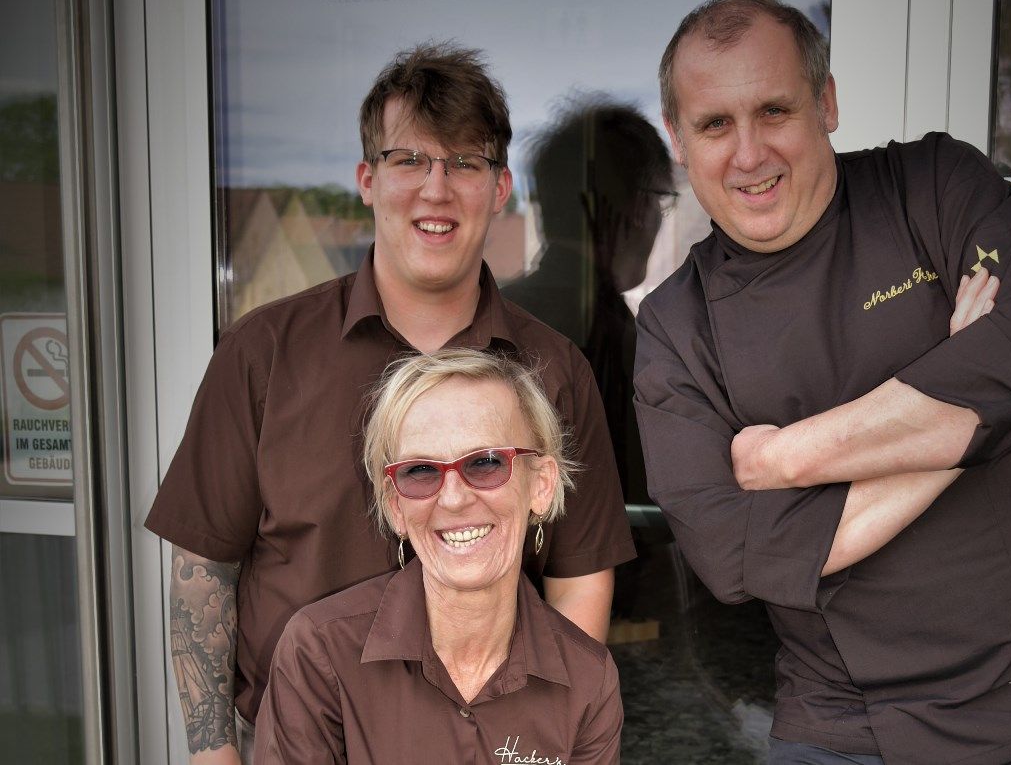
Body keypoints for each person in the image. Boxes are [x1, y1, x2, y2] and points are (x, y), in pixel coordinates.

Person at [633, 0, 1011, 764]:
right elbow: (735, 553)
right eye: (715, 123)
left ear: (827, 102)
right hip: (849, 723)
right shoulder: (678, 328)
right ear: (679, 138)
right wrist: (964, 412)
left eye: (774, 110)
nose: (749, 153)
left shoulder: (938, 187)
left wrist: (786, 458)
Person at [146, 43, 633, 763]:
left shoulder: (555, 370)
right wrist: (213, 755)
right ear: (367, 180)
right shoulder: (263, 352)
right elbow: (202, 572)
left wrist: (548, 736)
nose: (436, 190)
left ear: (500, 189)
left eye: (465, 162)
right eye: (410, 161)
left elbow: (579, 574)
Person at [255, 349, 623, 764]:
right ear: (395, 506)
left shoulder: (589, 677)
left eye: (486, 463)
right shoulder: (319, 651)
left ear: (540, 484)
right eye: (421, 471)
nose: (452, 499)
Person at [504, 94, 676, 501]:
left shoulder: (493, 312)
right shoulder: (616, 335)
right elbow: (640, 508)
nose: (656, 220)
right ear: (637, 207)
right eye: (660, 202)